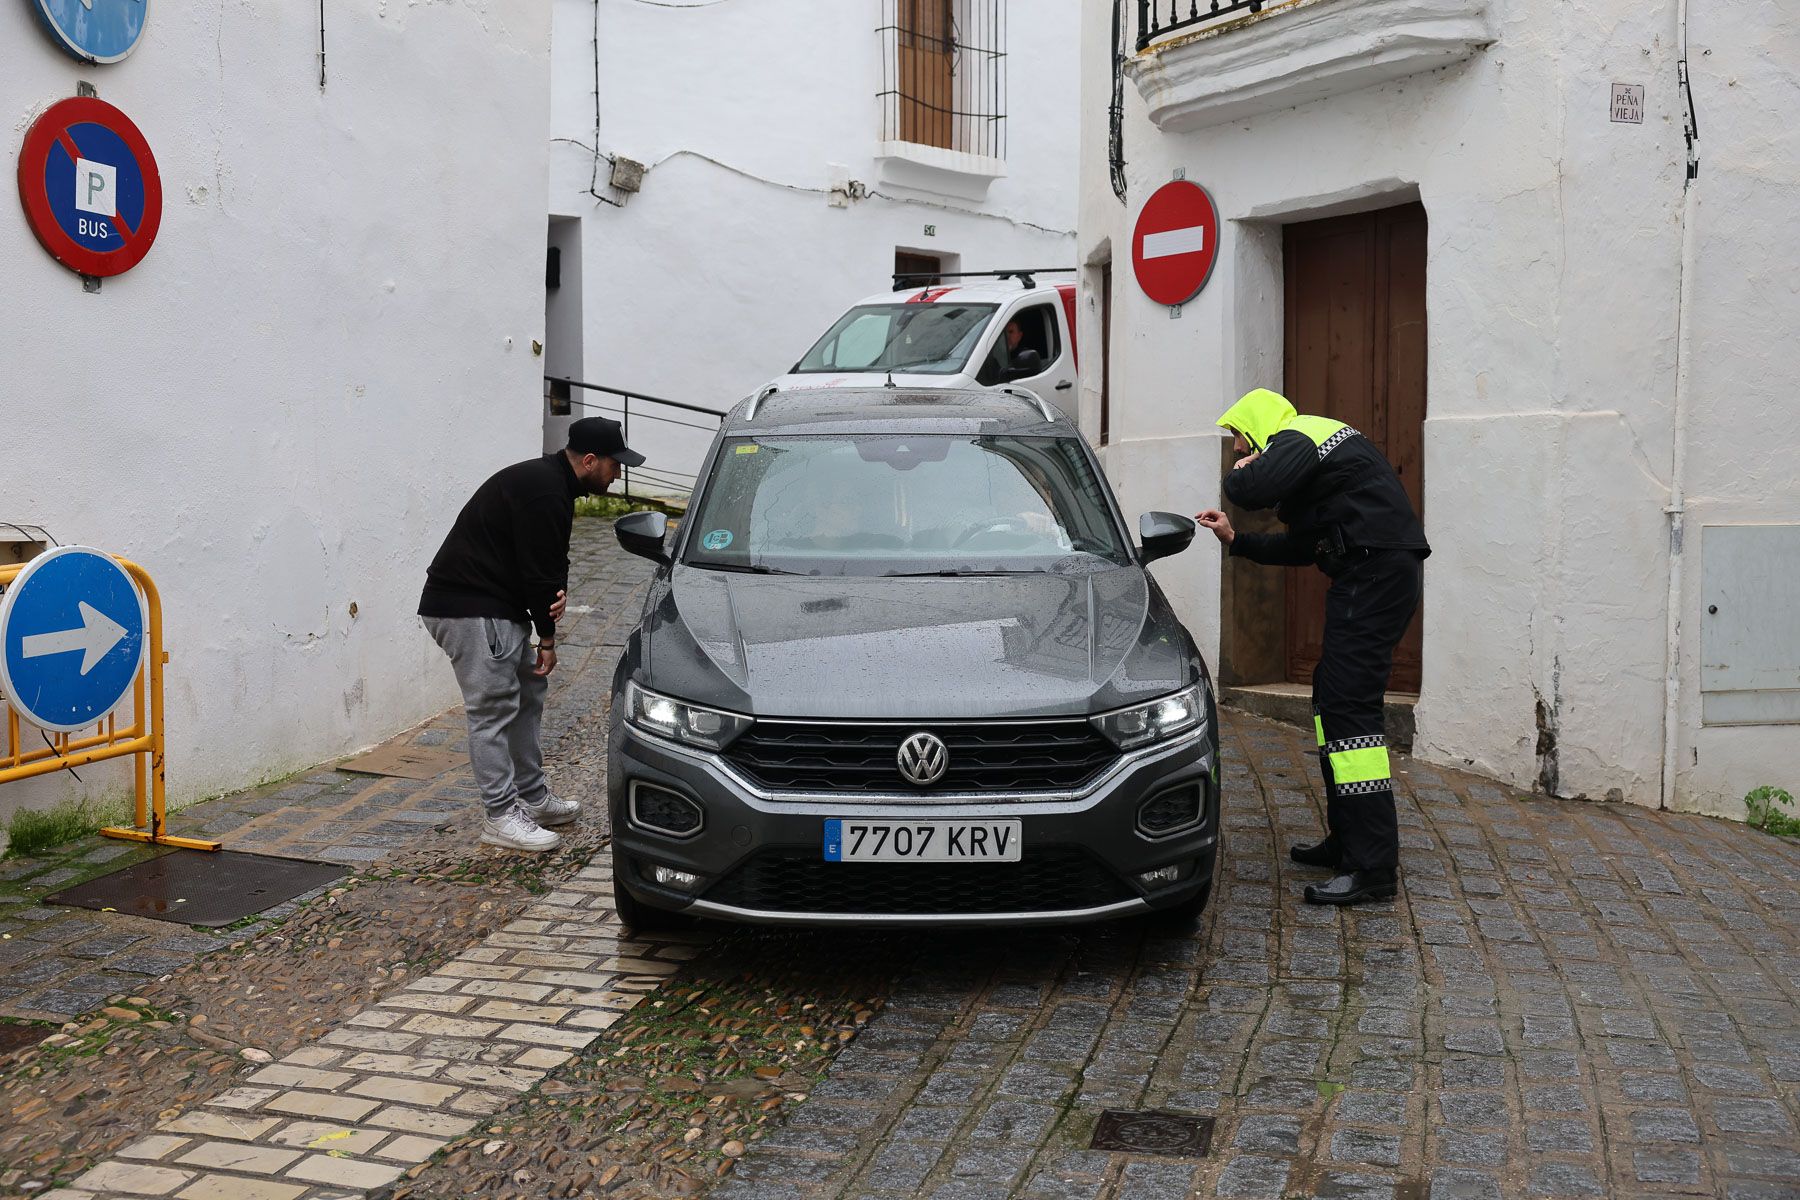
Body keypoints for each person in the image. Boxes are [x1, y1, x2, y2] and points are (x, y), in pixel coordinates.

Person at [1195, 388, 1428, 906]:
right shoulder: (1311, 459)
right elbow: (1303, 545)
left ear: (1258, 426)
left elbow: (1247, 487)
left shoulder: (1302, 434)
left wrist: (1247, 468)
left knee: (1348, 710)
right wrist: (1237, 540)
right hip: (1369, 574)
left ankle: (1372, 868)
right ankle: (1347, 840)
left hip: (1374, 575)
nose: (1236, 449)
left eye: (1238, 436)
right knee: (1331, 699)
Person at [419, 416, 644, 852]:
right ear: (591, 461)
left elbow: (551, 560)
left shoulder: (552, 484)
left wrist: (553, 597)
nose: (619, 474)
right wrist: (547, 636)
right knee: (492, 711)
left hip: (494, 607)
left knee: (527, 696)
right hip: (470, 610)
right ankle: (500, 815)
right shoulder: (544, 490)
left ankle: (533, 798)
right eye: (616, 465)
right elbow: (538, 570)